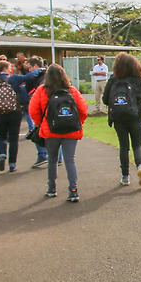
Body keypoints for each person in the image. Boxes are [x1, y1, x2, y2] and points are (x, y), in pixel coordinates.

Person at [28, 63, 89, 203]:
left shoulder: (42, 90)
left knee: (52, 160)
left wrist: (41, 123)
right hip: (71, 130)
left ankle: (51, 188)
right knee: (70, 160)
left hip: (50, 130)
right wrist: (77, 122)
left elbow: (33, 111)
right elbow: (83, 109)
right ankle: (73, 190)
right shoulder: (72, 90)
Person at [104, 52, 141, 187]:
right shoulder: (138, 79)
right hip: (136, 116)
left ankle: (125, 176)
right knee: (137, 144)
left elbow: (105, 99)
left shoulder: (113, 80)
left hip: (118, 117)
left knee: (124, 146)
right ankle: (140, 166)